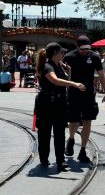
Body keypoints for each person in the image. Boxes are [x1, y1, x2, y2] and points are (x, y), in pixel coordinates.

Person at [34, 42, 86, 172]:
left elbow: (63, 84)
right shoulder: (47, 66)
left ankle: (60, 160)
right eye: (61, 52)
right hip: (46, 103)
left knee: (60, 133)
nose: (63, 54)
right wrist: (75, 83)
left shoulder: (59, 66)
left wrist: (69, 72)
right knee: (44, 133)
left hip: (59, 103)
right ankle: (44, 158)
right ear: (55, 54)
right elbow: (55, 80)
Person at [63, 36, 105, 163]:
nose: (85, 51)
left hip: (89, 94)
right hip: (73, 93)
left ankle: (82, 151)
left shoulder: (94, 57)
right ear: (77, 47)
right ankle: (71, 138)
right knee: (74, 122)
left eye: (88, 49)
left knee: (88, 121)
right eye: (83, 49)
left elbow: (101, 75)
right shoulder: (68, 57)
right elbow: (63, 77)